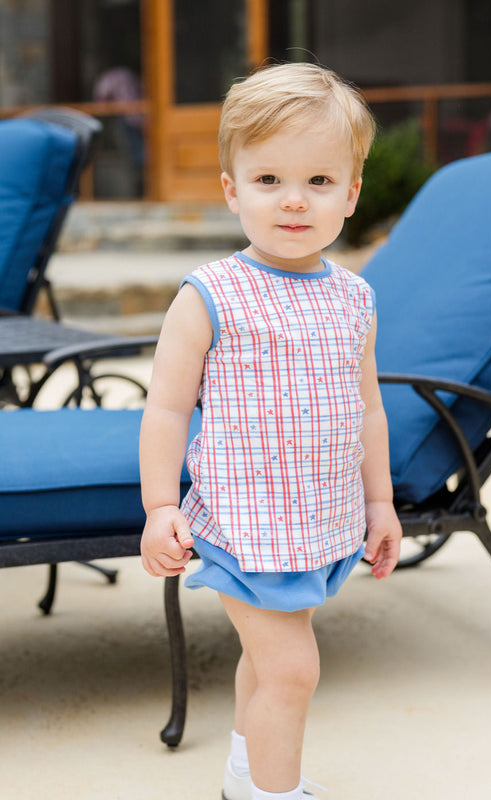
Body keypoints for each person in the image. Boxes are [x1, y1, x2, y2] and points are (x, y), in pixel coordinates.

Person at [139, 62, 402, 800]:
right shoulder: (210, 295)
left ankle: (244, 770)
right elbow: (164, 409)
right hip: (245, 521)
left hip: (318, 519)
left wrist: (378, 503)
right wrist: (161, 506)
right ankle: (268, 793)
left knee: (266, 659)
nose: (294, 201)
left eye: (319, 181)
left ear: (350, 193)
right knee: (293, 668)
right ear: (232, 189)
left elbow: (367, 407)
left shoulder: (354, 297)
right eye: (268, 181)